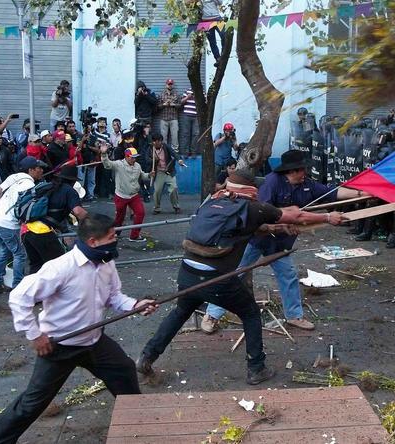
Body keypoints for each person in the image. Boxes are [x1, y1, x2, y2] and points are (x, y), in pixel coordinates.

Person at [137, 169, 345, 383]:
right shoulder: (252, 207)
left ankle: (147, 356)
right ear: (251, 189)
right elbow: (297, 214)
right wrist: (328, 217)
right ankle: (256, 368)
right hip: (217, 278)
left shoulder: (211, 203)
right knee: (251, 313)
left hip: (188, 271)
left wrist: (280, 228)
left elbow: (249, 228)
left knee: (181, 311)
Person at [0, 214, 157, 443]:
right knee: (32, 403)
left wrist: (135, 305)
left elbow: (114, 297)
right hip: (60, 346)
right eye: (111, 237)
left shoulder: (106, 263)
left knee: (124, 370)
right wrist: (35, 335)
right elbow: (19, 297)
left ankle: (139, 421)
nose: (115, 240)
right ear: (93, 241)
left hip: (94, 341)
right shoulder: (60, 268)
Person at [202, 150, 363, 333]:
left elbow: (332, 193)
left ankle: (294, 316)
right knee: (233, 275)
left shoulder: (307, 185)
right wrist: (325, 217)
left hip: (278, 244)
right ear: (292, 171)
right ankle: (212, 315)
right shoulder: (272, 182)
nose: (305, 173)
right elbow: (266, 214)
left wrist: (360, 193)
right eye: (302, 169)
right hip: (254, 239)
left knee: (288, 275)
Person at [0, 157, 47, 296]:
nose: (42, 171)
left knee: (3, 251)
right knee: (19, 254)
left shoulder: (13, 177)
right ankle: (17, 287)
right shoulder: (29, 186)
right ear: (31, 170)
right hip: (9, 225)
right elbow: (24, 209)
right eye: (39, 168)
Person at [22, 166, 88, 273]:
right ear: (73, 181)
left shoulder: (51, 187)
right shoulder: (69, 191)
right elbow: (78, 212)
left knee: (36, 266)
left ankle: (33, 288)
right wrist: (95, 222)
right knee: (61, 266)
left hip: (26, 229)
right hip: (41, 232)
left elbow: (55, 214)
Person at [100, 145, 150, 242]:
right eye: (132, 157)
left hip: (134, 195)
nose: (134, 159)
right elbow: (107, 165)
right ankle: (115, 233)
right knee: (119, 218)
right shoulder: (119, 164)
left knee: (140, 213)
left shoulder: (138, 166)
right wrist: (104, 153)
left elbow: (143, 176)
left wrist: (149, 175)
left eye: (135, 157)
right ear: (126, 156)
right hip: (121, 195)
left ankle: (134, 236)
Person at [150, 133, 184, 214]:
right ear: (153, 142)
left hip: (169, 171)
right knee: (157, 190)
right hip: (159, 172)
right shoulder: (150, 149)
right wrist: (154, 160)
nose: (157, 143)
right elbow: (146, 160)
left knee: (174, 188)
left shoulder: (166, 146)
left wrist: (179, 160)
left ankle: (176, 206)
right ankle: (157, 208)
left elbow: (174, 153)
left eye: (159, 141)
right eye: (155, 141)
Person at [158, 79, 180, 154]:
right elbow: (157, 106)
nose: (170, 85)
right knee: (163, 138)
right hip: (164, 119)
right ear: (166, 85)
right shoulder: (161, 94)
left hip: (174, 118)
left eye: (171, 84)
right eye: (168, 84)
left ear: (173, 85)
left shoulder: (177, 94)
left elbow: (180, 105)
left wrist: (174, 105)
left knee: (175, 138)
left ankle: (175, 154)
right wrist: (163, 105)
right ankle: (165, 153)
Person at [179, 89, 200, 157]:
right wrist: (188, 97)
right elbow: (181, 102)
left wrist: (197, 97)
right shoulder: (187, 91)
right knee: (186, 134)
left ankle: (193, 152)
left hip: (196, 116)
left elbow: (204, 102)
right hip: (186, 115)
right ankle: (186, 152)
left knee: (196, 134)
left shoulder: (201, 91)